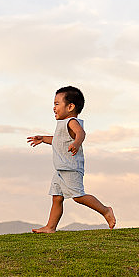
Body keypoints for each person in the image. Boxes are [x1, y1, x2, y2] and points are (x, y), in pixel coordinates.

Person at [27, 86, 116, 233]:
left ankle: (106, 210)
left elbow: (81, 133)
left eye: (57, 104)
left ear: (70, 106)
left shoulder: (71, 121)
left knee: (78, 196)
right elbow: (58, 140)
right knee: (57, 198)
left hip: (70, 168)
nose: (53, 108)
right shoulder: (62, 124)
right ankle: (50, 227)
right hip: (60, 169)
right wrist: (43, 139)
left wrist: (76, 143)